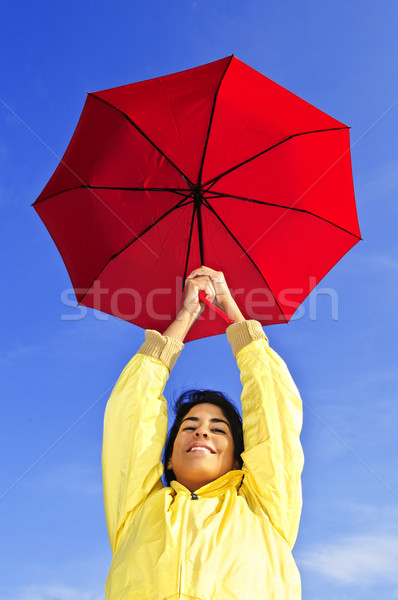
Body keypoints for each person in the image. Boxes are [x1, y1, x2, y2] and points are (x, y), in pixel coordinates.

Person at [102, 266, 304, 600]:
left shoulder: (266, 508)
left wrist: (228, 305)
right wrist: (187, 312)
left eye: (218, 428)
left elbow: (273, 407)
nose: (202, 433)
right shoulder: (137, 512)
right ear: (167, 459)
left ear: (242, 457)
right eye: (189, 426)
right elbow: (131, 411)